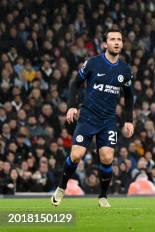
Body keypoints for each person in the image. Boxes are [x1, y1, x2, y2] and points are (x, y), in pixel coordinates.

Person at [51, 30, 135, 208]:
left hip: (108, 120)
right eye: (112, 39)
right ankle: (61, 187)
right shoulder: (92, 63)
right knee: (76, 155)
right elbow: (75, 83)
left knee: (106, 157)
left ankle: (103, 196)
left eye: (119, 39)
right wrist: (71, 106)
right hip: (88, 117)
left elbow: (129, 97)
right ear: (105, 44)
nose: (116, 42)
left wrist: (129, 120)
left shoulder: (125, 70)